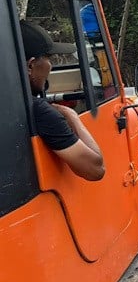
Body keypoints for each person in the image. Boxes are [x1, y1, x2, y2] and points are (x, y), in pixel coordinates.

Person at [21, 20, 105, 181]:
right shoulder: (39, 111)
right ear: (31, 65)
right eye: (49, 58)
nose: (50, 66)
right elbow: (96, 169)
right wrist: (71, 115)